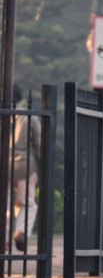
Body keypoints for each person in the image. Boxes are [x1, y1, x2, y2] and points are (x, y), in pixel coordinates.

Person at [8, 84, 42, 253]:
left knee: (4, 203)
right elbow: (39, 145)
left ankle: (4, 237)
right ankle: (21, 231)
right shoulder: (29, 117)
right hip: (23, 165)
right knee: (28, 203)